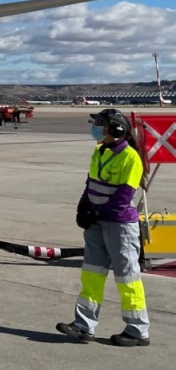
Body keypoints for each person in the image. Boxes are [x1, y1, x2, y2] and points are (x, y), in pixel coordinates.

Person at [56, 108, 149, 347]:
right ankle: (83, 325)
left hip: (119, 226)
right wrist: (82, 208)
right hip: (97, 223)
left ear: (116, 129)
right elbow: (90, 185)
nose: (95, 127)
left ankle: (138, 330)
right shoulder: (99, 151)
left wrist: (96, 212)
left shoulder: (130, 157)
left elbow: (122, 196)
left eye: (100, 123)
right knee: (91, 275)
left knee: (127, 277)